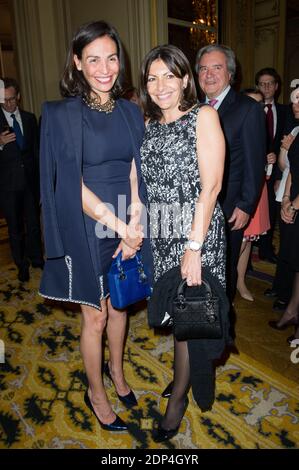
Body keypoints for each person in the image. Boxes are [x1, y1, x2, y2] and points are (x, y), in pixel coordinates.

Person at [39, 21, 152, 432]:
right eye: (93, 59)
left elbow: (137, 169)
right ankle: (96, 391)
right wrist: (120, 225)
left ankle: (117, 373)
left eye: (111, 57)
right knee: (96, 318)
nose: (105, 68)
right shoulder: (61, 114)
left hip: (126, 217)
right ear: (77, 63)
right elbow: (71, 184)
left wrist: (136, 216)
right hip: (89, 223)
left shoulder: (128, 109)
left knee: (120, 303)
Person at [139, 44, 226, 442]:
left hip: (196, 232)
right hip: (163, 231)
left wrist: (193, 247)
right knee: (177, 316)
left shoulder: (203, 116)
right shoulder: (149, 123)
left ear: (185, 79)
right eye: (153, 78)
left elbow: (211, 188)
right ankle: (180, 381)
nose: (161, 86)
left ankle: (177, 398)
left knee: (190, 318)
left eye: (169, 76)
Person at [195, 44, 266, 303]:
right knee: (195, 270)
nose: (209, 74)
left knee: (222, 274)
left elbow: (254, 162)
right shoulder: (190, 108)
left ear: (230, 74)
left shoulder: (248, 109)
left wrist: (246, 204)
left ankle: (221, 332)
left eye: (217, 67)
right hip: (194, 208)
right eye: (203, 68)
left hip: (228, 207)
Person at [0, 77, 44, 282]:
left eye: (12, 99)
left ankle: (37, 258)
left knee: (34, 222)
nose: (8, 104)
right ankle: (21, 265)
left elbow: (36, 151)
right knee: (15, 227)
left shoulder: (29, 118)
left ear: (18, 96)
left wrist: (41, 181)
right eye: (4, 100)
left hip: (30, 180)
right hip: (8, 185)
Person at [236, 89, 270, 301]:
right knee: (238, 241)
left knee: (248, 240)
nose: (254, 109)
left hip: (257, 188)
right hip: (239, 190)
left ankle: (240, 282)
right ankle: (228, 284)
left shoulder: (260, 125)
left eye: (258, 104)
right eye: (250, 103)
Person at [255, 67, 290, 263]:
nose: (266, 87)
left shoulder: (287, 112)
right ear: (257, 86)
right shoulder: (250, 109)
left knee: (270, 212)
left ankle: (266, 249)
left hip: (274, 173)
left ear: (276, 87)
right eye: (262, 83)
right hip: (252, 172)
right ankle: (247, 256)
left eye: (270, 83)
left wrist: (278, 172)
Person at [269, 129, 299, 343]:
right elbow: (292, 169)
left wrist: (294, 205)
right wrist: (287, 198)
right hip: (294, 197)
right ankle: (292, 310)